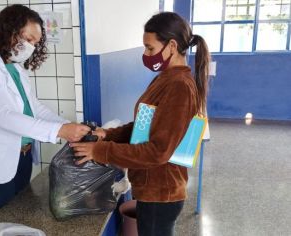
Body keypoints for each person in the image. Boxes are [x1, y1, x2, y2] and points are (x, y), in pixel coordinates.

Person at [70, 12, 210, 236]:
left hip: (161, 193)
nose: (145, 54)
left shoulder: (179, 87)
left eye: (150, 48)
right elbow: (144, 126)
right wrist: (107, 134)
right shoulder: (165, 78)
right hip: (151, 188)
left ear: (172, 46)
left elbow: (158, 152)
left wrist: (100, 151)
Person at [0, 4, 90, 223]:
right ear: (8, 31)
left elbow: (34, 108)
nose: (31, 47)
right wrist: (60, 131)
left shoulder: (16, 69)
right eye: (28, 39)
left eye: (35, 43)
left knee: (18, 221)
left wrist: (69, 126)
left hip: (21, 159)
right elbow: (3, 115)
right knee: (0, 226)